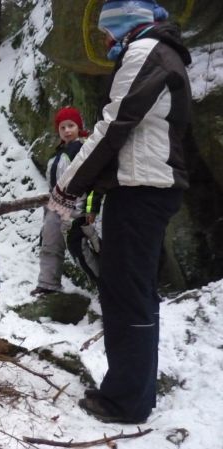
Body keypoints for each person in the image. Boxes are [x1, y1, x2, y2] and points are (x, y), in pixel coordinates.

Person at [48, 0, 193, 423]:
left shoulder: (146, 50)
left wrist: (67, 186)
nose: (105, 41)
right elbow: (124, 134)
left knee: (126, 295)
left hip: (143, 190)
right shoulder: (158, 50)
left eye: (105, 32)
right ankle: (134, 391)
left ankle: (125, 401)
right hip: (143, 187)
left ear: (125, 24)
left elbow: (114, 126)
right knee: (133, 293)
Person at [31, 107, 101, 296]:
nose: (67, 130)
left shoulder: (83, 149)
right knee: (49, 243)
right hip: (54, 207)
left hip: (76, 207)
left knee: (81, 249)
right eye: (63, 127)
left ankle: (105, 283)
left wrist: (87, 209)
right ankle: (47, 283)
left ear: (79, 127)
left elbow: (91, 182)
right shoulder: (57, 154)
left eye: (71, 126)